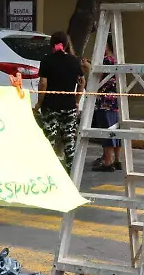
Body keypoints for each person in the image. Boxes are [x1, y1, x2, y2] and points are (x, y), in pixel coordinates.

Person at [34, 31, 85, 172]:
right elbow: (82, 82)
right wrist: (77, 100)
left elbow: (43, 83)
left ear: (51, 44)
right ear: (67, 44)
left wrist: (39, 102)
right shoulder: (74, 61)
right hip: (69, 105)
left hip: (50, 106)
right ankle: (71, 171)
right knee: (69, 140)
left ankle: (47, 171)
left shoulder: (46, 60)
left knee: (49, 139)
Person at [91, 39, 123, 172]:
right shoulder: (117, 60)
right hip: (115, 101)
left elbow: (96, 76)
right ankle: (117, 159)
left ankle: (107, 161)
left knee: (107, 130)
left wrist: (88, 66)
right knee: (116, 130)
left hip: (105, 101)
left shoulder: (106, 61)